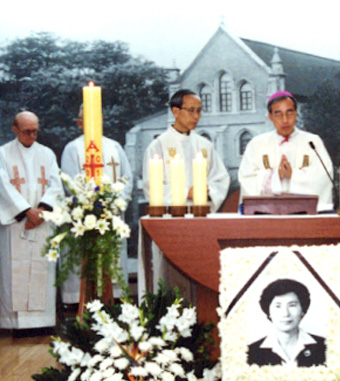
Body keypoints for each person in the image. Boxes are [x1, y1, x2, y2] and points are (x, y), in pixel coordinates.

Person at [60, 106, 133, 304]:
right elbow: (69, 184)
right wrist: (92, 206)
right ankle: (78, 303)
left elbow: (127, 178)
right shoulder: (73, 148)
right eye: (88, 119)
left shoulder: (114, 147)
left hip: (113, 216)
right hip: (86, 220)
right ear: (79, 123)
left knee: (114, 268)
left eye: (97, 119)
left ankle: (115, 301)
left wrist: (118, 202)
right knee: (84, 268)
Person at [0, 111, 63, 333]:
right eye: (27, 131)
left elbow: (56, 185)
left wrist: (41, 211)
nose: (32, 135)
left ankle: (43, 323)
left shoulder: (47, 154)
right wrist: (26, 211)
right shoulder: (3, 154)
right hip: (16, 223)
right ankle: (14, 325)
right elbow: (3, 187)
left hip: (42, 222)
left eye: (36, 130)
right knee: (15, 272)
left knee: (41, 269)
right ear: (15, 129)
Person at [238, 91, 334, 212]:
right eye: (278, 114)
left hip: (305, 217)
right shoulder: (256, 144)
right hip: (267, 218)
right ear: (270, 116)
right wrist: (275, 176)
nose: (285, 120)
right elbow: (247, 179)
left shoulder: (313, 142)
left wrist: (293, 175)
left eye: (290, 113)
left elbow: (324, 177)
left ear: (296, 114)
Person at [143, 89, 230, 211]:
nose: (196, 116)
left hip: (201, 214)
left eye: (199, 111)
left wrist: (209, 192)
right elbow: (151, 187)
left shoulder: (205, 145)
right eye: (191, 111)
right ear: (176, 111)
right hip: (170, 217)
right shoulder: (158, 146)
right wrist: (186, 193)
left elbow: (220, 179)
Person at [248, 279, 326, 367]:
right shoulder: (251, 353)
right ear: (268, 312)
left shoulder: (325, 347)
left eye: (292, 305)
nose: (285, 313)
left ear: (303, 310)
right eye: (278, 306)